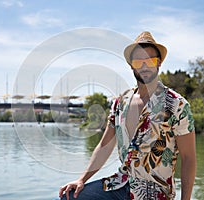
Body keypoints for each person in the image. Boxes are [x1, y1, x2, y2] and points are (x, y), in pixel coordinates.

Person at [59, 31, 196, 200]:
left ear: (159, 63)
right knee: (70, 197)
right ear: (131, 65)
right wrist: (81, 180)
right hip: (120, 183)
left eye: (150, 60)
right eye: (139, 61)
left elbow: (188, 158)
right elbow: (104, 147)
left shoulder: (177, 104)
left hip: (154, 193)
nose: (145, 66)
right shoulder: (120, 103)